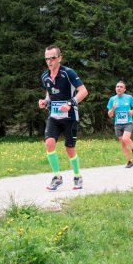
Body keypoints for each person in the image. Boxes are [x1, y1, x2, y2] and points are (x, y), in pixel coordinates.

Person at [39, 45, 89, 190]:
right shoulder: (44, 76)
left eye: (52, 58)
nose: (49, 61)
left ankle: (78, 176)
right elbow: (50, 94)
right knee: (49, 143)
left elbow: (83, 91)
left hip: (70, 116)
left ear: (59, 58)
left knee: (69, 149)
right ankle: (57, 177)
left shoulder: (68, 73)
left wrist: (70, 103)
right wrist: (45, 102)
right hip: (54, 116)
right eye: (47, 58)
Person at [107, 81, 133, 168]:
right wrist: (113, 109)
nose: (119, 88)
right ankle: (129, 161)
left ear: (124, 89)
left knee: (126, 138)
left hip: (128, 122)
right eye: (117, 87)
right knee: (123, 143)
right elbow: (110, 115)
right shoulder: (112, 99)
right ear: (115, 89)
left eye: (121, 87)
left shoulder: (129, 98)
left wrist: (132, 111)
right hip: (118, 124)